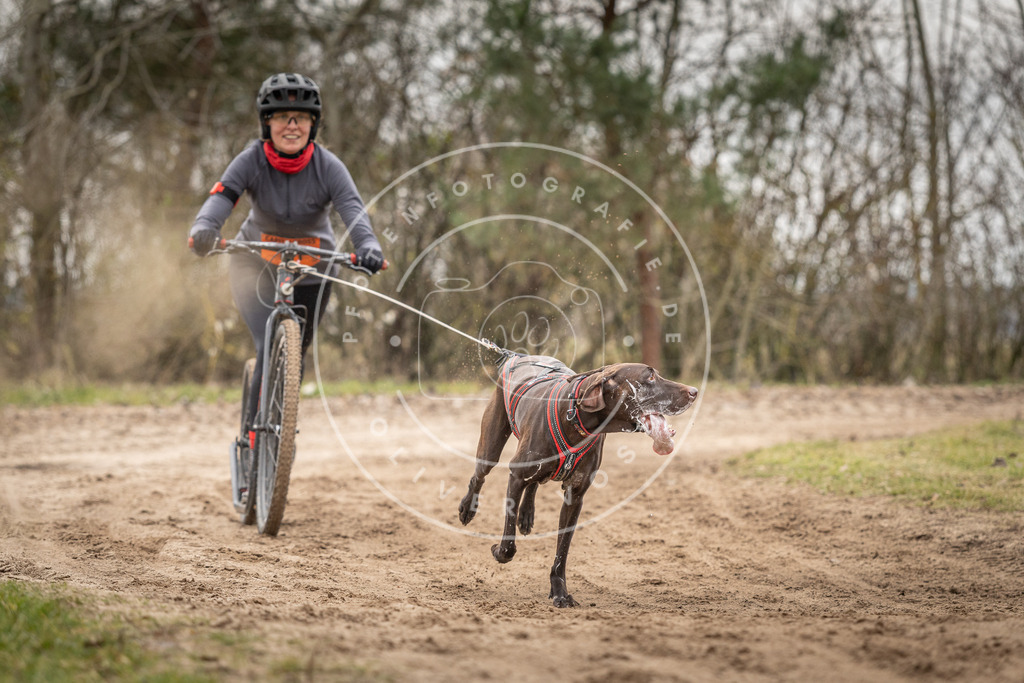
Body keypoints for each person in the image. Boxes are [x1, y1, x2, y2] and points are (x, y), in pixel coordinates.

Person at [189, 72, 384, 445]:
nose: (291, 125)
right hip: (254, 262)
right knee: (267, 342)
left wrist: (370, 248)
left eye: (301, 117)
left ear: (313, 124)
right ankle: (251, 437)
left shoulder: (329, 167)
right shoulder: (251, 160)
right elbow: (221, 196)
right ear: (267, 122)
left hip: (312, 267)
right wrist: (204, 228)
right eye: (282, 116)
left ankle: (281, 429)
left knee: (296, 350)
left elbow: (354, 212)